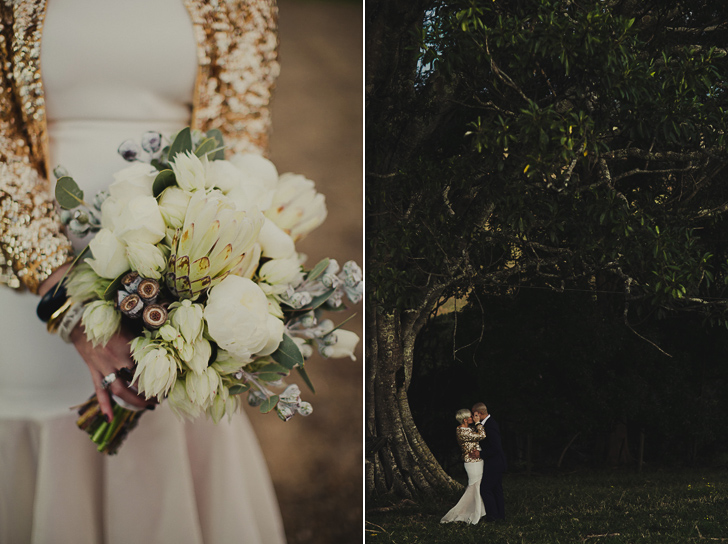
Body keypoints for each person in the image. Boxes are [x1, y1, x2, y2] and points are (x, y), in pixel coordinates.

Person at [0, 1, 287, 543]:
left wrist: (196, 301)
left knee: (167, 447)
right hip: (27, 291)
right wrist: (68, 305)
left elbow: (242, 134)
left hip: (183, 286)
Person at [440, 408, 487, 525]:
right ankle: (473, 513)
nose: (473, 417)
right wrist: (478, 423)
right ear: (465, 419)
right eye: (471, 417)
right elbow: (482, 435)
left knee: (477, 486)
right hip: (471, 462)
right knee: (474, 486)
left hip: (477, 460)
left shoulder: (467, 429)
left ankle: (478, 511)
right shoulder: (462, 431)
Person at [472, 402, 507, 521]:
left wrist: (480, 454)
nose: (473, 416)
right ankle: (500, 516)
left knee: (485, 489)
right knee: (496, 489)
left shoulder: (490, 425)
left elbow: (496, 447)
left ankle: (493, 516)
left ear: (480, 413)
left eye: (474, 414)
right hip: (495, 461)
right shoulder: (486, 423)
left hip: (495, 462)